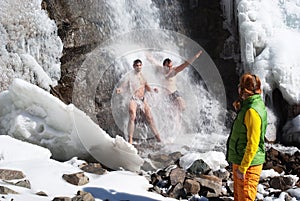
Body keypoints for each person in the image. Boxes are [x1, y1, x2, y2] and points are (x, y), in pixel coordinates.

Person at [226, 73, 267, 201]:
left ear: (244, 89)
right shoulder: (248, 106)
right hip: (241, 160)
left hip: (248, 165)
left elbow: (253, 143)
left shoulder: (252, 111)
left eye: (240, 85)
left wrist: (243, 168)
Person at [116, 59, 161, 144]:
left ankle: (159, 138)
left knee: (150, 118)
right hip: (133, 98)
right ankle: (130, 140)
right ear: (133, 66)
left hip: (143, 99)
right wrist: (120, 89)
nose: (138, 67)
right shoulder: (130, 76)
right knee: (132, 115)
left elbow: (147, 87)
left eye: (140, 65)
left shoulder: (143, 76)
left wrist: (153, 90)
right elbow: (124, 85)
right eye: (137, 66)